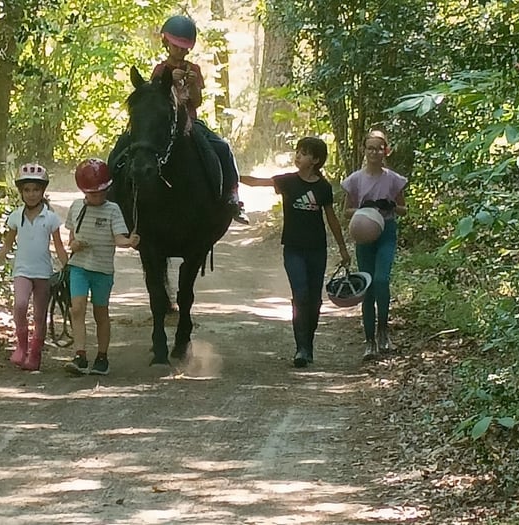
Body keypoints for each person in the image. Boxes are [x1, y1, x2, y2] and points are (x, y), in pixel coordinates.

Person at [241, 137, 351, 368]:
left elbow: (331, 218)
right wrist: (233, 175)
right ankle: (301, 348)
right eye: (298, 151)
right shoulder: (288, 181)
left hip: (317, 249)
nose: (298, 155)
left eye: (304, 153)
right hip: (293, 249)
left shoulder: (323, 188)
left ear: (316, 160)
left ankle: (308, 344)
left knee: (314, 300)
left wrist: (343, 249)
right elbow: (256, 182)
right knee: (300, 295)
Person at [154, 14, 249, 225]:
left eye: (184, 48)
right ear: (166, 43)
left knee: (223, 147)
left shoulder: (194, 69)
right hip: (164, 124)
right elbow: (156, 100)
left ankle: (232, 196)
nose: (180, 51)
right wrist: (168, 82)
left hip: (189, 123)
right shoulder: (160, 70)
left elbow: (196, 103)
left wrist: (193, 85)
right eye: (176, 46)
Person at [0, 163, 68, 371]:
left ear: (43, 191)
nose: (31, 194)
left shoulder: (50, 218)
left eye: (36, 190)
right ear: (21, 192)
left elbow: (59, 247)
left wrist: (69, 268)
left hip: (43, 273)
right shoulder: (16, 216)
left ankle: (35, 354)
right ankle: (22, 346)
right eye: (27, 190)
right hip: (22, 270)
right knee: (20, 305)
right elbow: (7, 245)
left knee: (40, 316)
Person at [64, 158, 140, 376]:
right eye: (92, 194)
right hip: (78, 267)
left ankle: (102, 357)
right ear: (83, 192)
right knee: (77, 308)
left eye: (101, 193)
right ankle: (80, 355)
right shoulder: (76, 207)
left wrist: (129, 242)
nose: (97, 197)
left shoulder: (113, 210)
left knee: (101, 313)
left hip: (102, 270)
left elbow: (118, 238)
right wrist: (74, 245)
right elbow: (72, 236)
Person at [341, 130, 408, 360]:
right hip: (363, 233)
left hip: (385, 231)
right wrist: (363, 207)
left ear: (386, 151)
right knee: (367, 285)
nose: (374, 152)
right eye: (370, 148)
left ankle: (383, 331)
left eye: (379, 148)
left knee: (381, 280)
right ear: (364, 150)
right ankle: (369, 340)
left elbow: (403, 209)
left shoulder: (393, 179)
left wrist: (390, 205)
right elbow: (346, 211)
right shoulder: (355, 180)